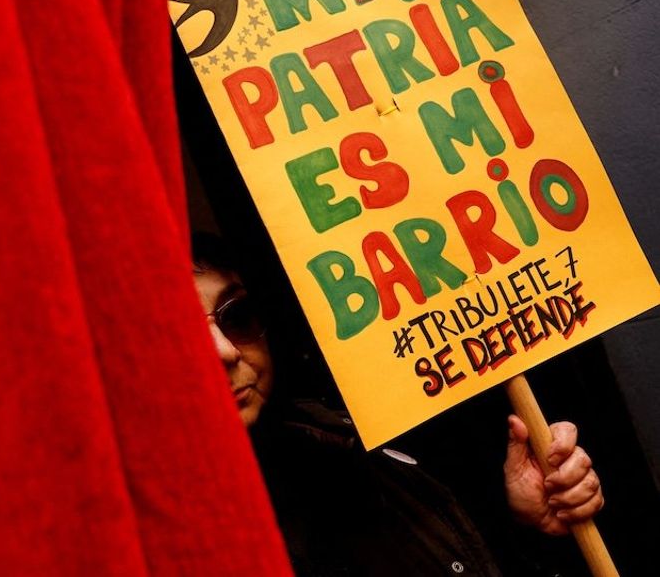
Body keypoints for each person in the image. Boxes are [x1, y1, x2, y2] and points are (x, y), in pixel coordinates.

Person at [191, 233, 605, 576]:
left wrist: (532, 528)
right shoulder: (167, 540)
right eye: (182, 332)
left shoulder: (345, 443)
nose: (225, 351)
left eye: (236, 315)